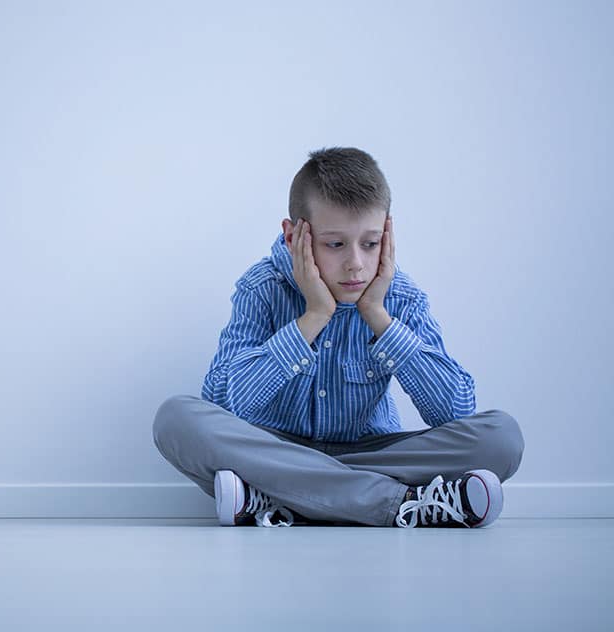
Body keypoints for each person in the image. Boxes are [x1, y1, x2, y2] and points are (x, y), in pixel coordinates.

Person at [152, 147, 524, 528]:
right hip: (276, 449)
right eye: (335, 244)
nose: (356, 264)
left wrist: (379, 317)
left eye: (370, 243)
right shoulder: (262, 287)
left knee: (501, 438)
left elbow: (457, 412)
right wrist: (314, 316)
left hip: (362, 453)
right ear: (294, 234)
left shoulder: (401, 298)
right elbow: (224, 405)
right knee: (176, 419)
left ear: (388, 234)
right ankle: (402, 503)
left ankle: (281, 497)